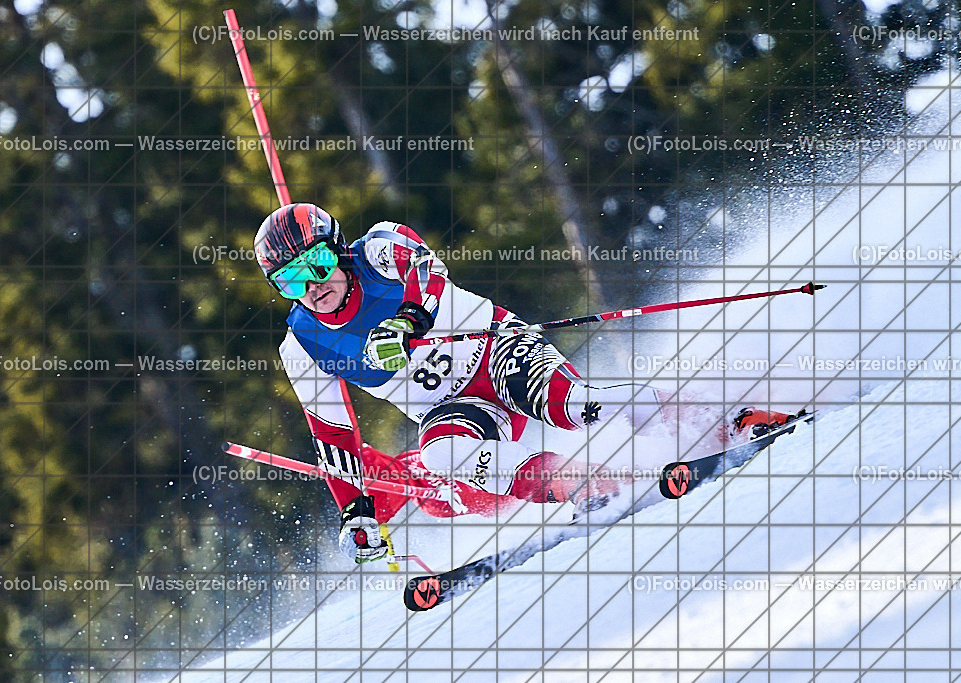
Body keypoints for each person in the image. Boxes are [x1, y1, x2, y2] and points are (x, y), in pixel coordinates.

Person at [255, 203, 792, 564]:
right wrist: (357, 511)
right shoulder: (301, 346)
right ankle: (576, 482)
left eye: (320, 262)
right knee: (443, 458)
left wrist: (405, 323)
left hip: (496, 351)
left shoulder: (376, 250)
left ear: (338, 249)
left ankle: (725, 419)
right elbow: (333, 437)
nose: (314, 284)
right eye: (290, 279)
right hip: (452, 406)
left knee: (575, 405)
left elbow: (427, 268)